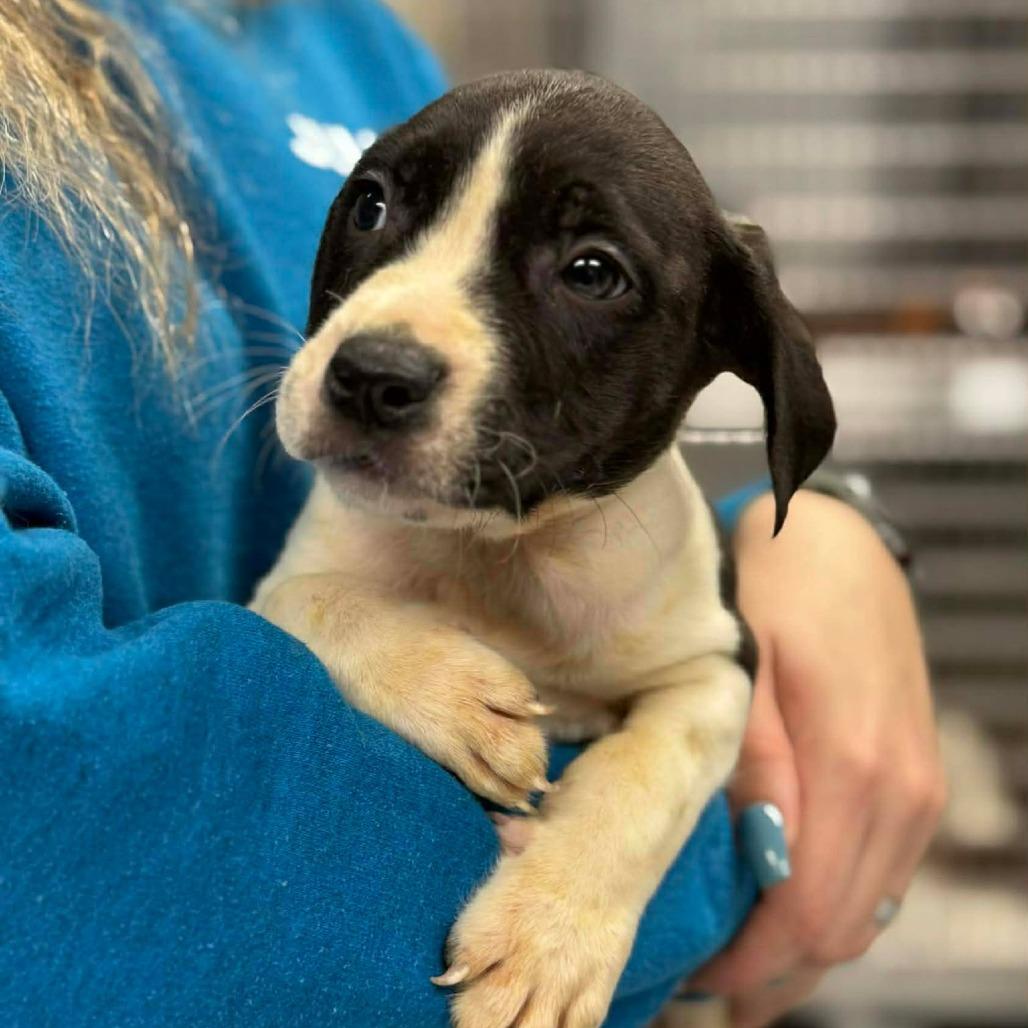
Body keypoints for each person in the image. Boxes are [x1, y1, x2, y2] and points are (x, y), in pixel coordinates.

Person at [0, 2, 944, 1026]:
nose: (386, 342)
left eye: (587, 271)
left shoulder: (350, 35)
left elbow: (704, 686)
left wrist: (813, 527)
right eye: (373, 211)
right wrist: (727, 871)